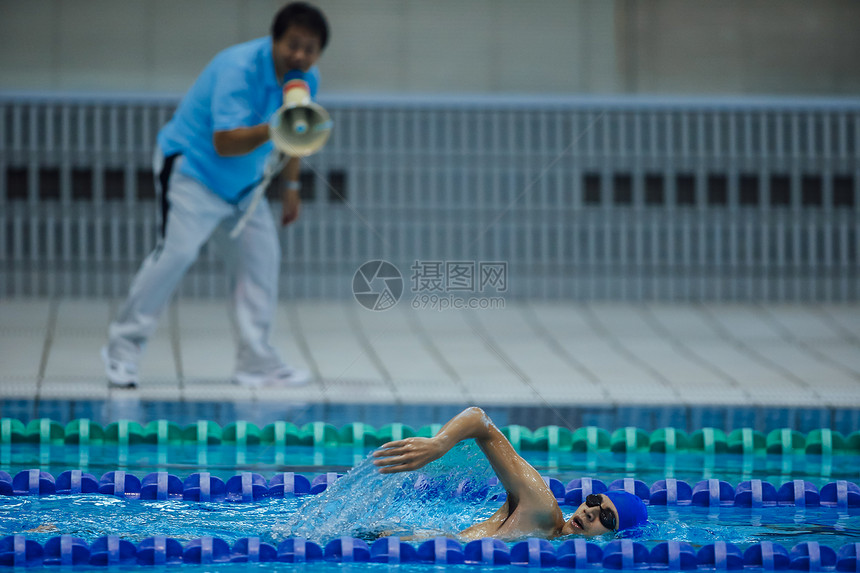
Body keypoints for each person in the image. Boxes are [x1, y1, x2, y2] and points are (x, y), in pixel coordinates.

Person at [101, 2, 330, 389]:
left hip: (245, 187)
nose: (300, 56)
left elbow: (299, 138)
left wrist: (291, 188)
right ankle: (122, 352)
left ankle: (256, 363)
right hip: (193, 173)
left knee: (261, 263)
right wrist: (276, 128)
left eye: (310, 49)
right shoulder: (237, 69)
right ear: (274, 40)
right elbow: (224, 142)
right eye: (293, 45)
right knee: (175, 256)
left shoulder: (307, 80)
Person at [373, 407, 647, 540]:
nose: (591, 511)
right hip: (390, 542)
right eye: (594, 500)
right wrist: (439, 443)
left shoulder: (551, 542)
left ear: (616, 537)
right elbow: (480, 420)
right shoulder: (540, 506)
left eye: (606, 517)